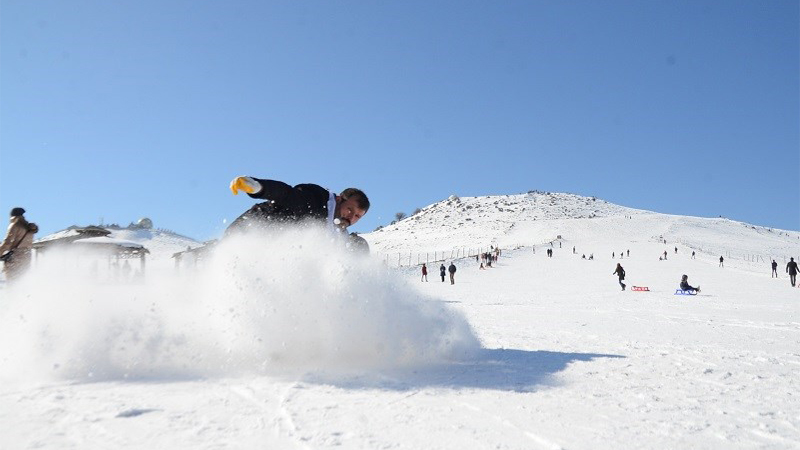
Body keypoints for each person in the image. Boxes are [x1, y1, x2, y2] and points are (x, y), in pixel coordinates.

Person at [226, 176, 369, 235]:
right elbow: (286, 194)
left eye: (357, 216)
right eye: (349, 209)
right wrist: (259, 187)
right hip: (250, 228)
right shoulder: (316, 202)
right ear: (338, 200)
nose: (351, 217)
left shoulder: (339, 235)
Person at [0, 208, 38, 284]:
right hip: (27, 255)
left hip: (16, 256)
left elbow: (7, 243)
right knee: (22, 280)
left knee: (12, 281)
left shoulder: (15, 225)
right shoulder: (28, 227)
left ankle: (12, 295)